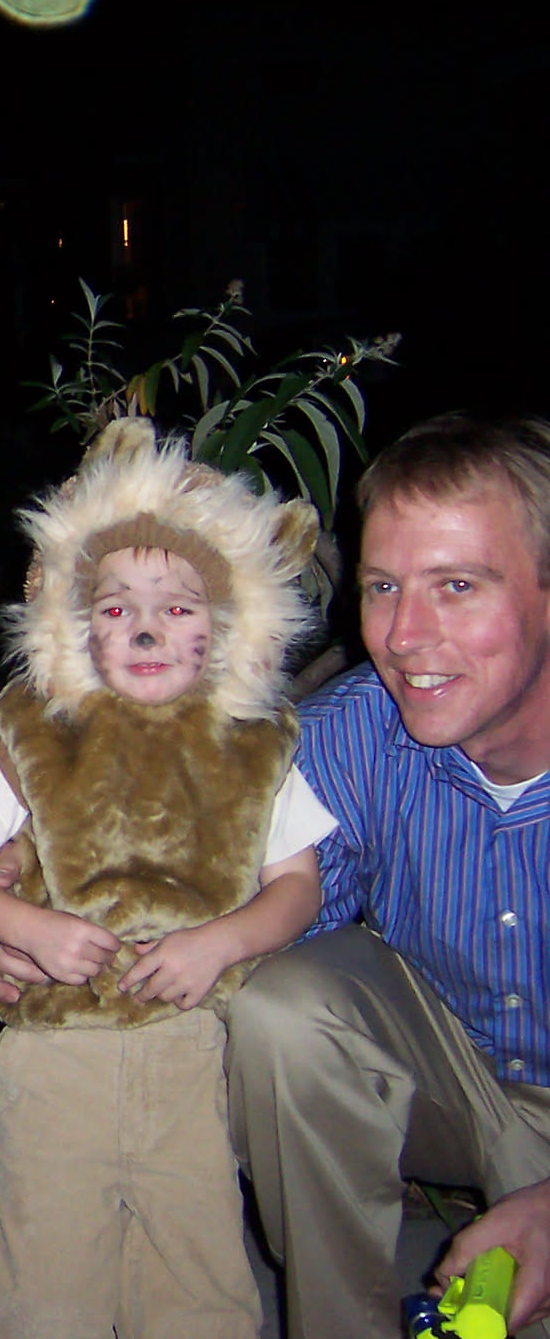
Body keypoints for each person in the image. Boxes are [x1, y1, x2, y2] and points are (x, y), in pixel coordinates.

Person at [0, 417, 336, 1339]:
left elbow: (298, 884)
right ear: (77, 623)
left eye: (181, 608)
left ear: (229, 628)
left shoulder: (253, 749)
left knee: (194, 1261)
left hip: (187, 1047)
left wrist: (221, 942)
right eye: (118, 608)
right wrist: (17, 924)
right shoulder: (39, 734)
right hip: (53, 1050)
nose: (149, 626)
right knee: (44, 1262)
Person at [223, 413, 550, 1339]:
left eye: (457, 585)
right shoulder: (355, 733)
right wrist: (36, 901)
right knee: (282, 1009)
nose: (404, 636)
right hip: (464, 1081)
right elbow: (228, 907)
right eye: (382, 587)